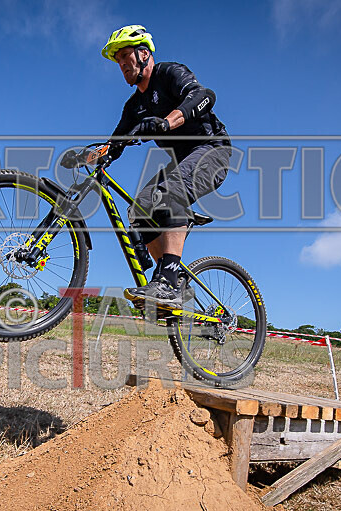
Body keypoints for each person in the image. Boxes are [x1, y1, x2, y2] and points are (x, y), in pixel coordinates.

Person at [101, 25, 232, 307]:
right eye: (118, 61)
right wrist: (89, 157)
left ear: (144, 54)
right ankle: (169, 282)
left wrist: (167, 121)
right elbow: (115, 142)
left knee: (170, 192)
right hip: (183, 160)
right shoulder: (134, 107)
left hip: (212, 150)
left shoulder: (169, 73)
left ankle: (168, 283)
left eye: (126, 55)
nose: (122, 64)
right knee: (141, 207)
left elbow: (204, 96)